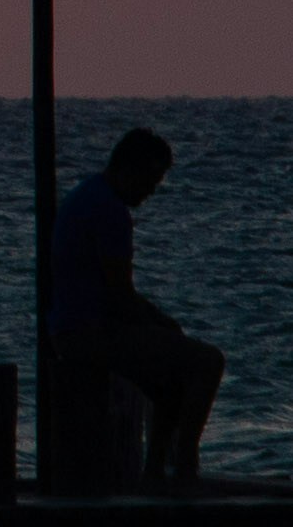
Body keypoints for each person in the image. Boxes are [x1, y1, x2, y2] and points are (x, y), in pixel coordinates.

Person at [53, 124, 226, 485]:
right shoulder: (111, 211)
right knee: (208, 362)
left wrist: (156, 324)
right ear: (130, 168)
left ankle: (155, 471)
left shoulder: (85, 194)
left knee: (168, 387)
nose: (153, 189)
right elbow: (120, 295)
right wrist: (162, 324)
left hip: (68, 328)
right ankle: (185, 466)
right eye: (152, 177)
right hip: (92, 333)